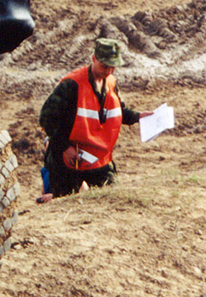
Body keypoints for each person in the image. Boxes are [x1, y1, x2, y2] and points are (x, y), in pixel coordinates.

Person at [37, 38, 152, 202]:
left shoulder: (111, 83)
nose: (108, 71)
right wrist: (64, 147)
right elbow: (47, 118)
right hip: (69, 159)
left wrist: (138, 117)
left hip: (98, 158)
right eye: (104, 66)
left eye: (112, 67)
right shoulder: (72, 84)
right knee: (64, 204)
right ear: (94, 59)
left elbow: (117, 111)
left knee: (112, 200)